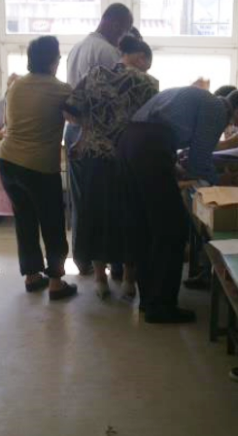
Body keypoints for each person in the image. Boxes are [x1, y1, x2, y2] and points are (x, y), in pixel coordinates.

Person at [117, 86, 232, 324]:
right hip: (149, 146)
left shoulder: (195, 97)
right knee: (172, 228)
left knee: (145, 227)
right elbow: (199, 162)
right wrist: (225, 183)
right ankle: (162, 306)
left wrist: (175, 167)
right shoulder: (217, 109)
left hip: (128, 141)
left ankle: (149, 300)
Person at [63, 35, 158, 300]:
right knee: (130, 218)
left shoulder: (94, 75)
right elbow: (152, 124)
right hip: (130, 159)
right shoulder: (148, 83)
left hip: (96, 159)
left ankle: (100, 280)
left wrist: (90, 129)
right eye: (147, 64)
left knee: (97, 217)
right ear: (141, 58)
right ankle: (129, 280)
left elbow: (69, 111)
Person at [0, 36, 76, 300]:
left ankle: (32, 276)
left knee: (25, 220)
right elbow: (79, 116)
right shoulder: (61, 89)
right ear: (54, 60)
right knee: (52, 224)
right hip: (39, 167)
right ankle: (56, 282)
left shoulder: (16, 86)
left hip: (7, 162)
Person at [65, 3, 133, 275]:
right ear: (115, 24)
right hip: (97, 135)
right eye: (124, 31)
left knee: (81, 200)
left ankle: (83, 260)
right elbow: (117, 100)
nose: (122, 38)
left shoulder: (77, 48)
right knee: (107, 200)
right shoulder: (108, 52)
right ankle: (113, 261)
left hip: (73, 129)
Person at [0, 73, 20, 140]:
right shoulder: (2, 103)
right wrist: (0, 134)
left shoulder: (31, 102)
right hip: (8, 140)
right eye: (10, 85)